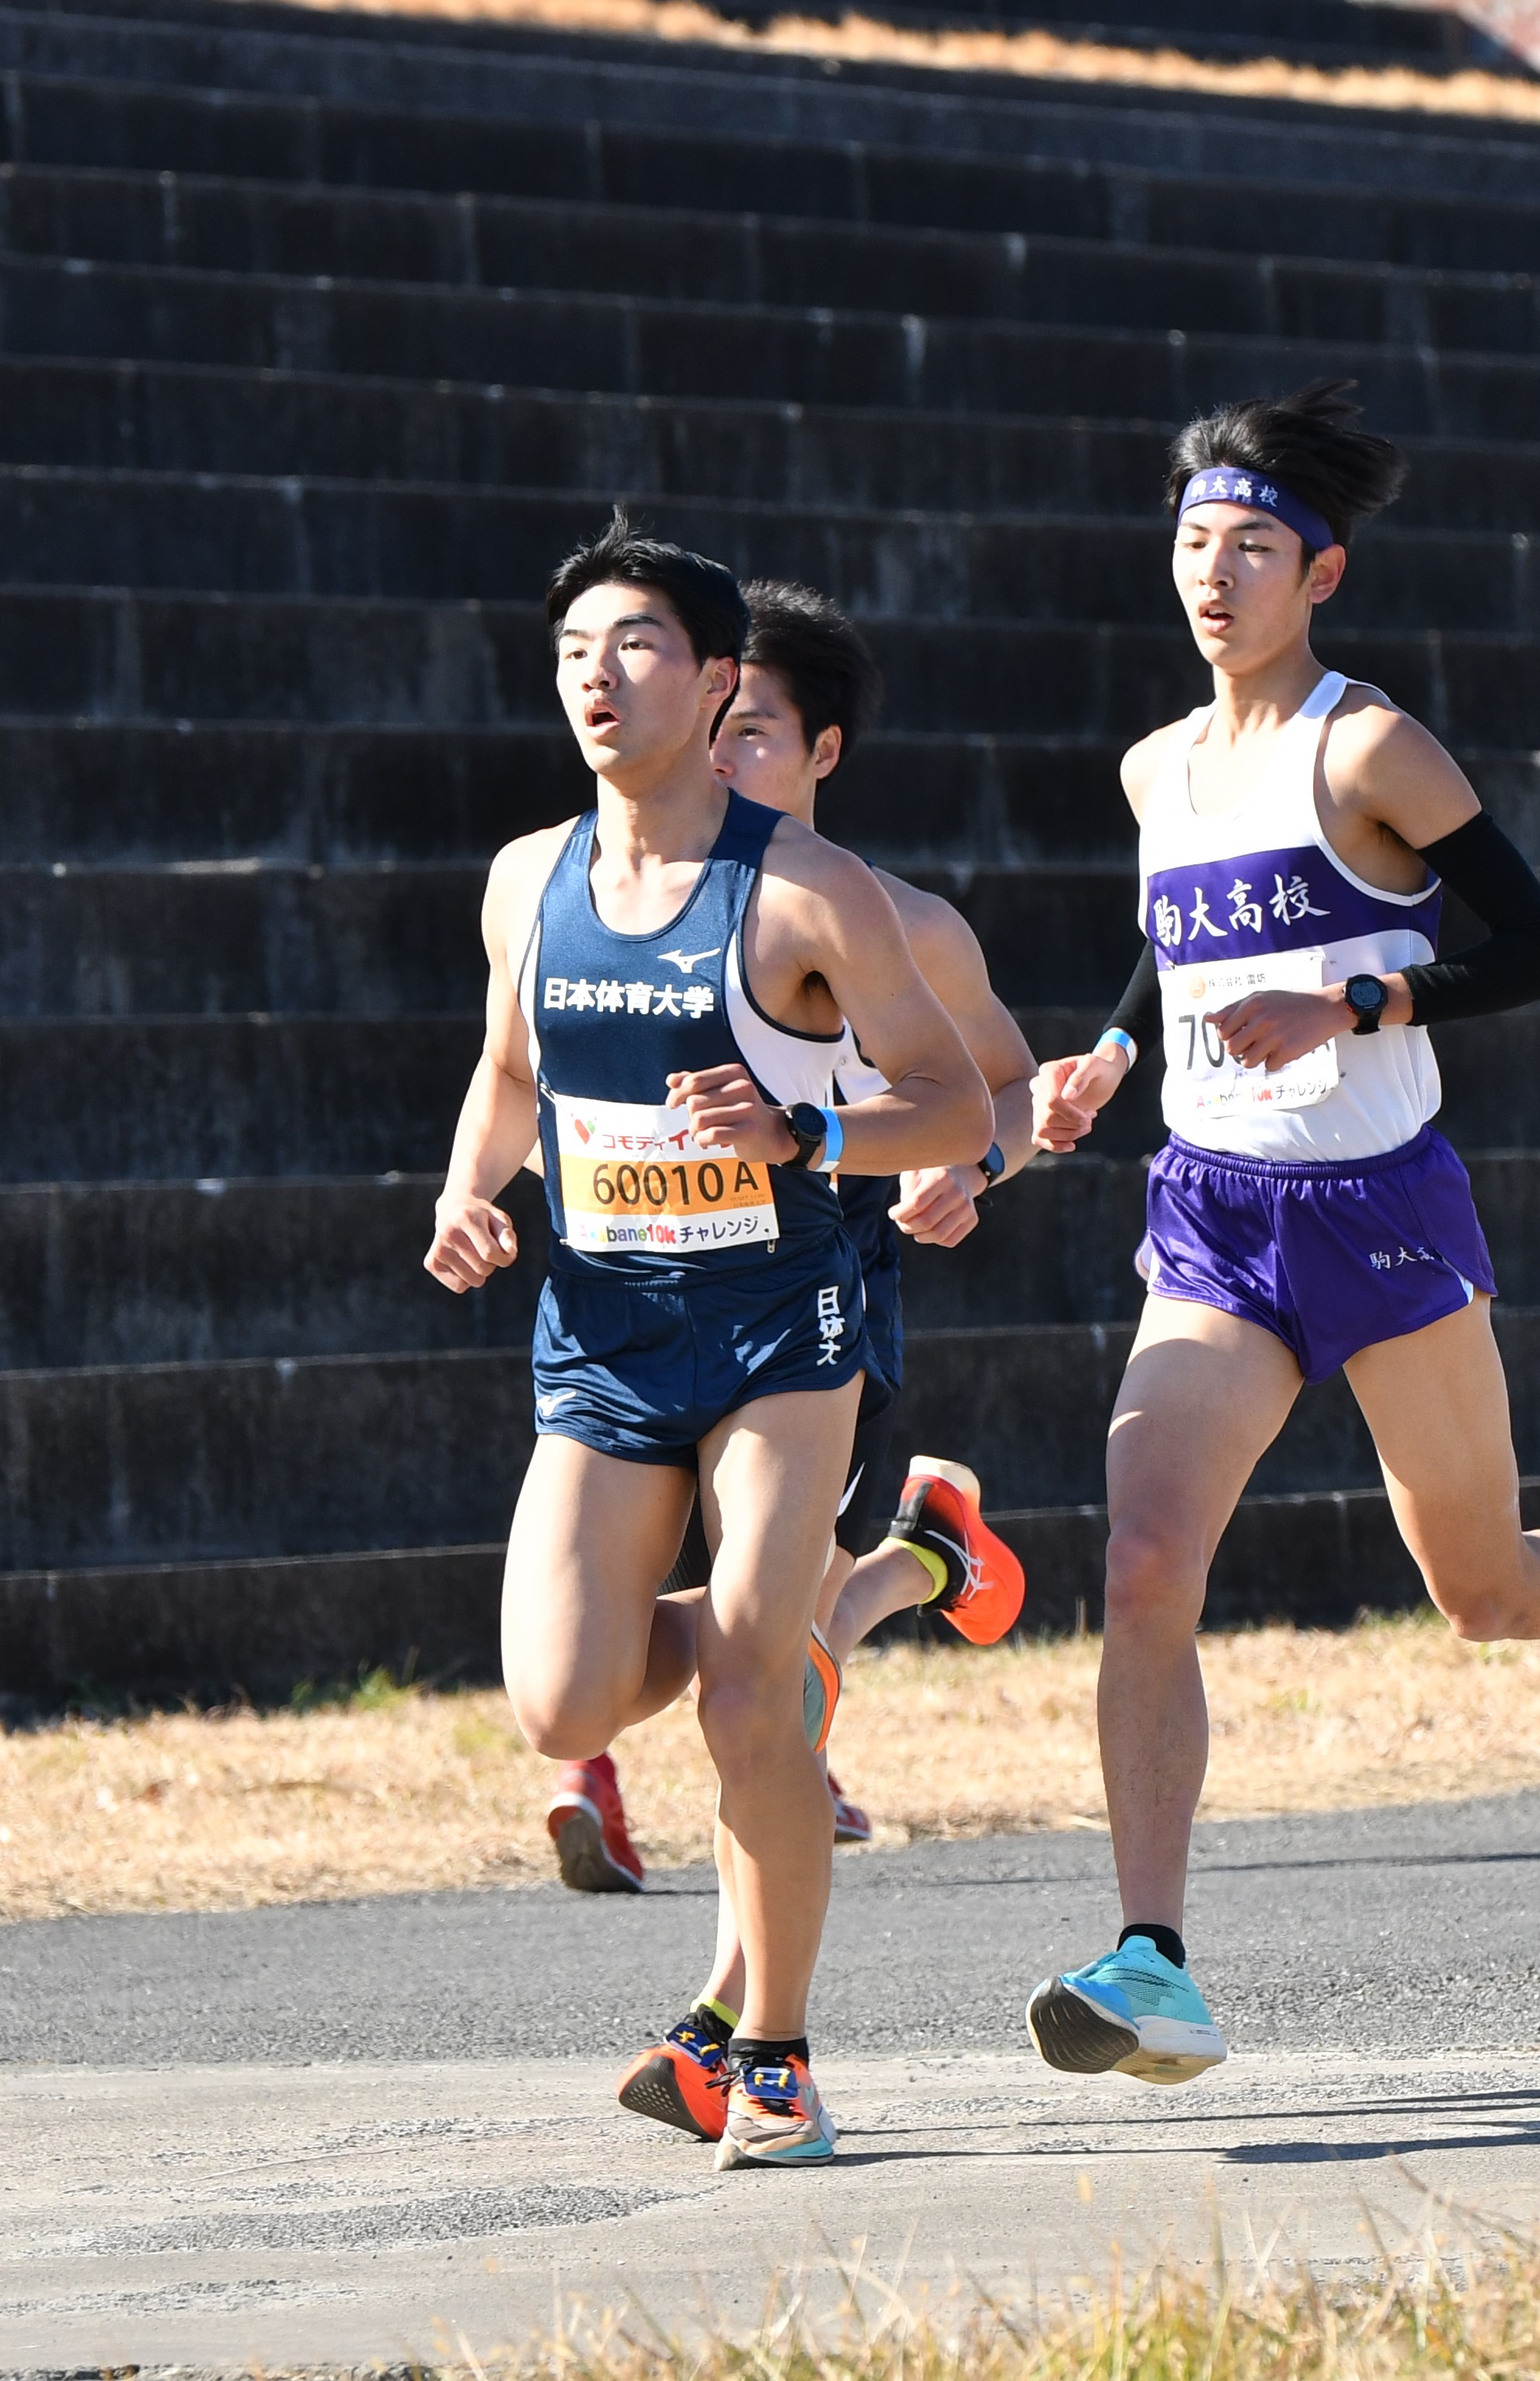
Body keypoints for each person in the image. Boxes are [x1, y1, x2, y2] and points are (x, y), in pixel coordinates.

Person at [1024, 382, 1540, 2087]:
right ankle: (1157, 1958)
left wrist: (1357, 994)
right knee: (1140, 1562)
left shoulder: (1368, 748)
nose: (1214, 572)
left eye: (1252, 546)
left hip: (1383, 1210)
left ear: (1320, 570)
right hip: (1213, 1215)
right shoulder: (1156, 767)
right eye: (1194, 541)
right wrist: (1112, 1054)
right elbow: (1172, 952)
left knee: (1481, 1588)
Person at [424, 517, 991, 2167]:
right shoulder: (526, 878)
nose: (600, 680)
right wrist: (471, 1193)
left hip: (777, 1328)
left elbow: (948, 1096)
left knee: (751, 1695)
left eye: (640, 649)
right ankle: (847, 1587)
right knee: (564, 1696)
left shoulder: (806, 890)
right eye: (573, 654)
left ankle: (779, 2049)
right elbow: (508, 1072)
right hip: (602, 1330)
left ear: (721, 676)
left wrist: (806, 1139)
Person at [604, 577, 1044, 2143]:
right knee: (762, 1645)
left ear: (822, 750)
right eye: (704, 730)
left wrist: (966, 1168)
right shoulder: (632, 892)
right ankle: (925, 1555)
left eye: (755, 737)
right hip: (667, 1312)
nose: (718, 761)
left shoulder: (895, 921)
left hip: (829, 1306)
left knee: (761, 1664)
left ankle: (738, 2020)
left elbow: (1005, 1081)